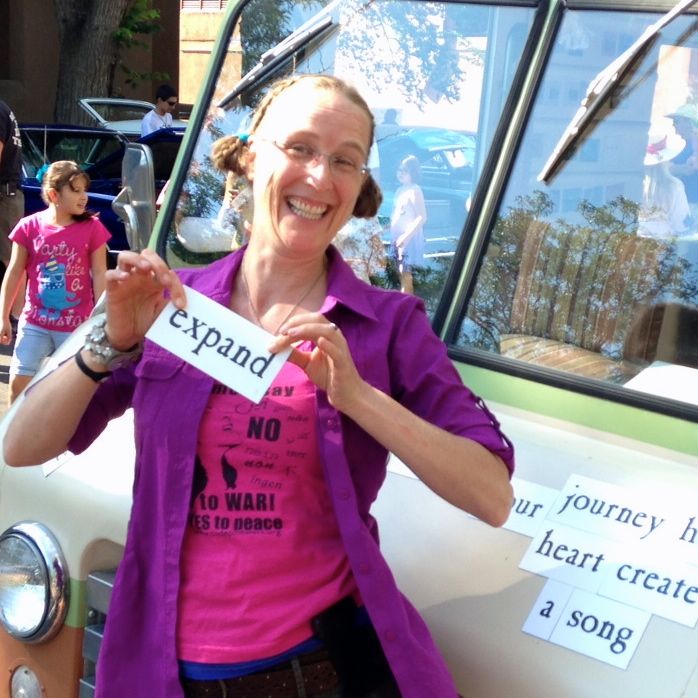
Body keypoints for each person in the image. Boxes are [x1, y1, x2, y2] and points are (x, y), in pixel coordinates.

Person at [4, 74, 514, 698]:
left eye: (345, 161)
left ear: (359, 189)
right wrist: (112, 343)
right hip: (161, 674)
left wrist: (355, 395)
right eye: (299, 148)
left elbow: (491, 495)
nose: (320, 177)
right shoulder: (169, 303)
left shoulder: (389, 325)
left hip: (316, 673)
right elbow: (21, 445)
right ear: (249, 156)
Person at [0, 161, 110, 403]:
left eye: (84, 190)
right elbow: (16, 271)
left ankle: (64, 441)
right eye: (76, 190)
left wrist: (100, 318)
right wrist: (3, 317)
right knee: (18, 384)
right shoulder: (28, 227)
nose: (84, 197)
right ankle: (12, 439)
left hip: (76, 327)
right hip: (34, 323)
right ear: (53, 194)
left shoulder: (93, 228)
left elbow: (100, 274)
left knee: (71, 396)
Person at [638, 127, 692, 239]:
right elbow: (681, 225)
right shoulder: (674, 186)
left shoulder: (631, 184)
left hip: (632, 247)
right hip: (663, 249)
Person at [390, 155, 427, 293]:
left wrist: (406, 236)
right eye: (399, 170)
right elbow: (397, 214)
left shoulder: (415, 190)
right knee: (400, 273)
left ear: (413, 172)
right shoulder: (400, 190)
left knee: (406, 274)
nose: (401, 173)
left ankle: (408, 304)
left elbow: (422, 217)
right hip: (397, 238)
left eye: (405, 171)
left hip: (408, 239)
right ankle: (403, 299)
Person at [0, 100, 24, 299]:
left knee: (12, 260)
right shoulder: (4, 108)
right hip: (8, 194)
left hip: (4, 197)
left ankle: (16, 317)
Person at [667, 102, 698, 220]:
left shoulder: (695, 147)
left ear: (688, 122)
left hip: (693, 208)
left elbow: (689, 169)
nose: (674, 126)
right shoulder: (687, 147)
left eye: (676, 121)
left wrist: (668, 169)